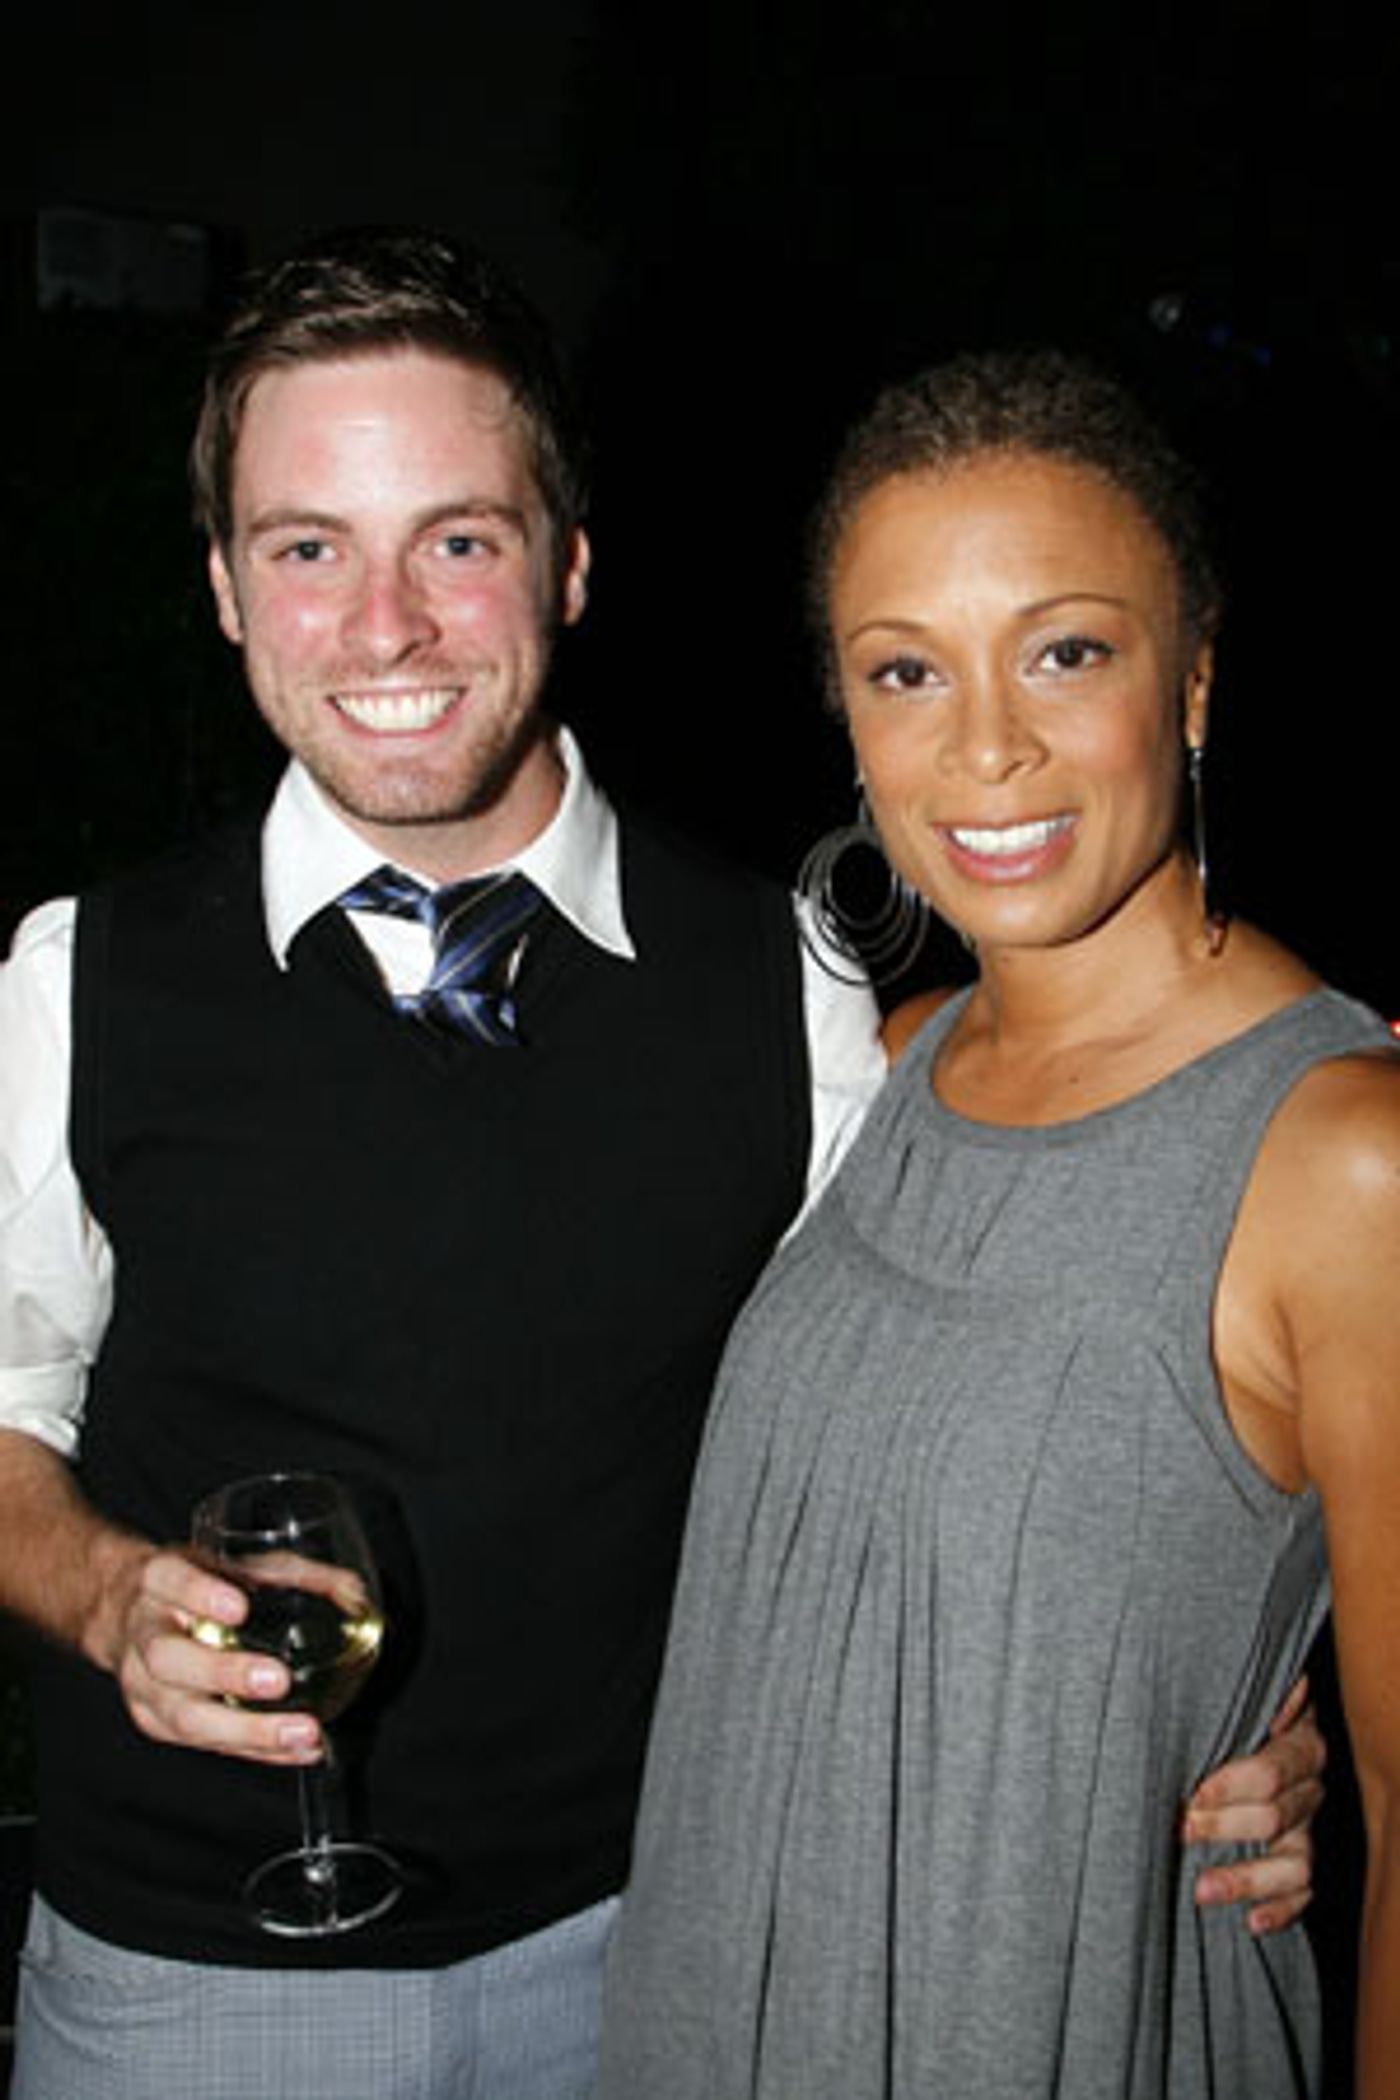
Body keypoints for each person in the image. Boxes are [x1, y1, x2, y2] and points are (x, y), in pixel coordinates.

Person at [0, 240, 1320, 2100]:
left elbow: (1002, 1398)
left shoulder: (804, 989)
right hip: (192, 1987)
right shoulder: (77, 979)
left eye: (459, 539)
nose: (386, 626)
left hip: (669, 1954)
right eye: (308, 548)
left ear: (568, 563)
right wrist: (97, 1592)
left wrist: (1244, 1698)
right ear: (225, 586)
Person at [597, 352, 1400, 2099]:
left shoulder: (1347, 1158)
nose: (984, 748)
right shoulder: (898, 1063)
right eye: (907, 671)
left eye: (1066, 652)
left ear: (1193, 679)